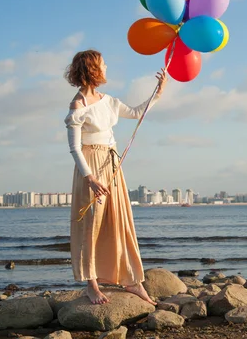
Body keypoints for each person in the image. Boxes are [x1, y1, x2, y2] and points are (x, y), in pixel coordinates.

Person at [63, 49, 166, 305]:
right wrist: (89, 178)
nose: (107, 67)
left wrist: (158, 91)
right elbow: (75, 148)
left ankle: (131, 280)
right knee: (92, 225)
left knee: (119, 221)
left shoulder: (108, 101)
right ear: (92, 70)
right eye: (103, 64)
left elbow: (135, 112)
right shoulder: (79, 105)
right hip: (91, 168)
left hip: (111, 165)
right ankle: (92, 285)